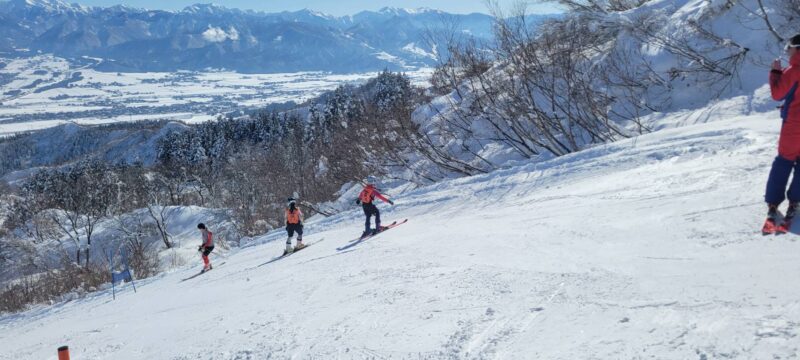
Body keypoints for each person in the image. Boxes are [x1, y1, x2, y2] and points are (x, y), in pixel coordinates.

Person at [764, 34, 800, 234]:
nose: (787, 52)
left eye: (789, 48)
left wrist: (775, 73)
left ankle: (773, 202)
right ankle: (796, 200)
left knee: (784, 161)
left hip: (794, 126)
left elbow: (777, 94)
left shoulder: (793, 71)